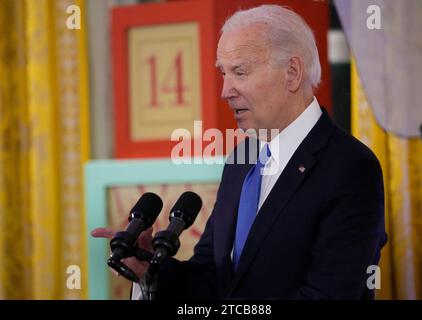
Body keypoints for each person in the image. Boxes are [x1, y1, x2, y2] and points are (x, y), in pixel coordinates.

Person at [92, 4, 387, 299]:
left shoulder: (350, 167)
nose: (225, 90)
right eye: (223, 73)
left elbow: (328, 295)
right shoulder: (240, 159)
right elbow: (211, 276)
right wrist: (151, 272)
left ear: (292, 73)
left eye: (240, 72)